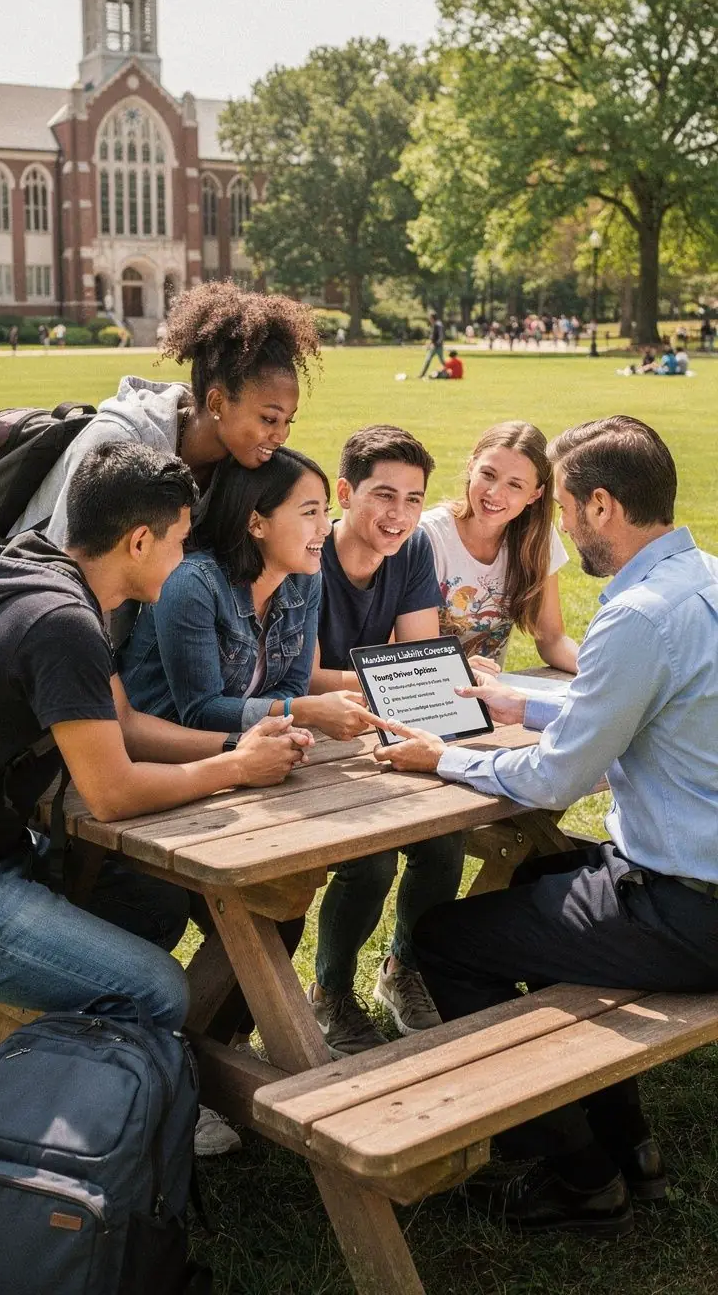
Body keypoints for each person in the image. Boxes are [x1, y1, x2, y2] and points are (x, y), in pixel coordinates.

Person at [0, 442, 310, 1175]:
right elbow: (112, 790)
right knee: (151, 988)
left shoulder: (34, 569)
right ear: (140, 540)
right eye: (182, 541)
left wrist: (238, 742)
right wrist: (236, 770)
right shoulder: (63, 624)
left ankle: (119, 1094)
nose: (186, 560)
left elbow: (117, 725)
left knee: (146, 905)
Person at [364, 416, 718, 1239]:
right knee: (535, 877)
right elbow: (643, 706)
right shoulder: (701, 580)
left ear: (601, 505)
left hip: (691, 912)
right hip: (698, 889)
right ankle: (628, 1144)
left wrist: (440, 759)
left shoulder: (638, 617)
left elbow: (559, 775)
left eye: (562, 506)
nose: (558, 524)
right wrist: (525, 701)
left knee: (448, 939)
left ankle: (578, 1173)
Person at [305, 426, 465, 1055]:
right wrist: (401, 673)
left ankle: (404, 969)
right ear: (345, 492)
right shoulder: (311, 552)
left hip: (381, 721)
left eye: (414, 498)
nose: (399, 515)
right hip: (312, 730)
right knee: (369, 858)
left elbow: (419, 649)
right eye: (383, 495)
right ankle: (330, 992)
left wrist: (416, 672)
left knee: (446, 835)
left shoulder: (414, 547)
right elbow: (306, 675)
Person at [12, 283, 320, 550]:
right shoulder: (115, 443)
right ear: (216, 404)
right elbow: (58, 568)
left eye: (288, 421)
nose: (281, 436)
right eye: (269, 419)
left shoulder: (238, 465)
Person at [120, 448, 369, 743]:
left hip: (248, 747)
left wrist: (283, 721)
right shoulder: (192, 583)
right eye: (310, 512)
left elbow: (293, 685)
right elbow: (200, 712)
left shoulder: (305, 578)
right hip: (167, 756)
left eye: (325, 512)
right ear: (256, 523)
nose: (325, 527)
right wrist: (302, 711)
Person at [420, 422, 578, 670]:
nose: (494, 493)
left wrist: (598, 674)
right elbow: (413, 654)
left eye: (515, 485)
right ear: (471, 466)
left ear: (535, 494)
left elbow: (552, 640)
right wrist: (459, 672)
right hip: (431, 691)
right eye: (488, 474)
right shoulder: (427, 537)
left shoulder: (537, 539)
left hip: (490, 694)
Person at [418, 311, 445, 378]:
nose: (429, 319)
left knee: (428, 359)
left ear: (432, 318)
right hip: (437, 346)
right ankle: (422, 374)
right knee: (441, 361)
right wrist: (430, 344)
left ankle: (422, 374)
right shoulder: (437, 324)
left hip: (437, 346)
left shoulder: (437, 324)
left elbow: (440, 335)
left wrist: (436, 343)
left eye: (430, 317)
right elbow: (434, 336)